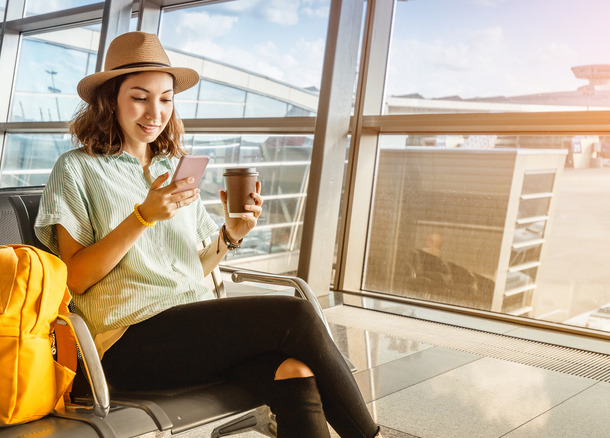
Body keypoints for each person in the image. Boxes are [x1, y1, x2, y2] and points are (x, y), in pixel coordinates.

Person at [34, 31, 381, 438]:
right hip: (124, 342)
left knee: (295, 372)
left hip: (188, 330)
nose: (155, 111)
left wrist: (229, 236)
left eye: (166, 99)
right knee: (296, 314)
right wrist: (141, 218)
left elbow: (188, 270)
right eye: (140, 97)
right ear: (110, 100)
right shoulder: (76, 168)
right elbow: (75, 278)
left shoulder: (173, 166)